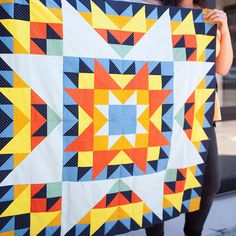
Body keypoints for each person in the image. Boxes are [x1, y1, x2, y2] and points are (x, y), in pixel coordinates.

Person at [140, 0, 233, 235]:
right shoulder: (153, 9)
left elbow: (222, 68)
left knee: (210, 182)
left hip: (200, 113)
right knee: (155, 182)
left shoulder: (206, 16)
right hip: (157, 114)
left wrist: (224, 29)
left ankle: (193, 232)